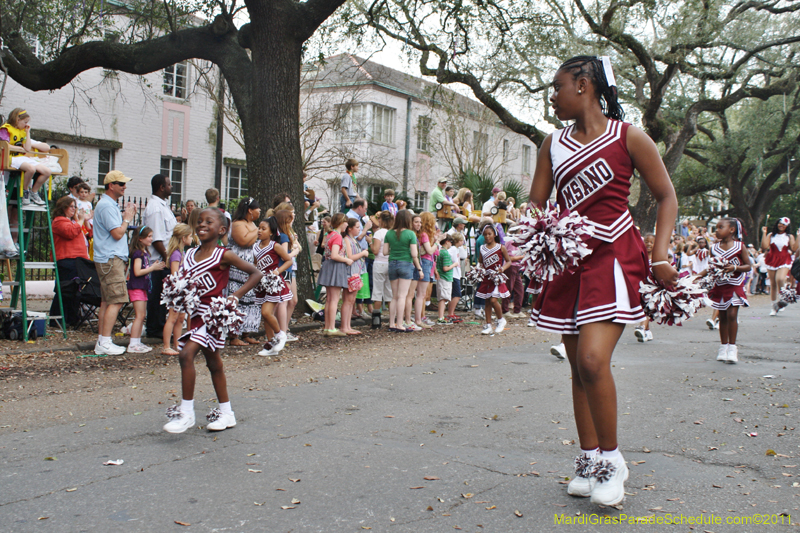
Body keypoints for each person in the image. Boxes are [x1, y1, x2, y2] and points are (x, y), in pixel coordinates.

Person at [527, 56, 679, 506]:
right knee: (577, 370)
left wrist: (662, 254)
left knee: (593, 361)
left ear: (583, 85)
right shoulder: (552, 143)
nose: (551, 97)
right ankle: (589, 459)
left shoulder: (629, 136)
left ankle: (614, 462)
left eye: (557, 87)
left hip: (613, 255)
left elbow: (666, 195)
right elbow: (537, 203)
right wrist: (533, 237)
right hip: (568, 262)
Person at [162, 208, 262, 434]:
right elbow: (183, 283)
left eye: (209, 222)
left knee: (186, 354)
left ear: (222, 229)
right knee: (214, 363)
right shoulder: (188, 255)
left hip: (214, 317)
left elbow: (256, 273)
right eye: (199, 222)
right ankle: (227, 414)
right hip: (195, 316)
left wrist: (233, 297)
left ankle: (186, 414)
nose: (202, 225)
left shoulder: (223, 255)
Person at [93, 170, 138, 355]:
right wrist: (127, 218)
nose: (124, 186)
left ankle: (102, 340)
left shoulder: (106, 204)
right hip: (111, 259)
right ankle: (104, 342)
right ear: (111, 185)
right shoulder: (106, 206)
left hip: (108, 258)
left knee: (107, 301)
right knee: (117, 300)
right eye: (121, 183)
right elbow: (117, 233)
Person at [705, 218, 751, 363]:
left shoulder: (739, 246)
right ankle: (723, 347)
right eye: (716, 227)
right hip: (720, 285)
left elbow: (748, 266)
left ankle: (732, 348)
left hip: (734, 285)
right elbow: (711, 267)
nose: (716, 230)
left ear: (731, 230)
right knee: (722, 317)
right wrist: (696, 277)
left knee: (732, 315)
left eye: (720, 227)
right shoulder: (713, 248)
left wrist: (735, 268)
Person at [143, 174, 177, 339]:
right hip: (159, 260)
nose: (172, 187)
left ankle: (160, 326)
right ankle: (155, 328)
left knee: (163, 296)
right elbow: (156, 239)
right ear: (161, 187)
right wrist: (168, 258)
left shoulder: (163, 206)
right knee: (157, 296)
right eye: (169, 184)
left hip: (165, 258)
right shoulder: (155, 208)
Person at [254, 217, 294, 357]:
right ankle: (271, 344)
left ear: (271, 232)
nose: (259, 231)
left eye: (263, 229)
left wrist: (277, 271)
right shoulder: (255, 246)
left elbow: (289, 260)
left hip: (274, 285)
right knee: (265, 316)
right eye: (259, 228)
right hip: (262, 285)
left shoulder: (274, 246)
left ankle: (280, 334)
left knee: (266, 312)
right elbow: (255, 264)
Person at [50, 196, 91, 326]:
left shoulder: (73, 221)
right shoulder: (59, 221)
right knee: (65, 289)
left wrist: (83, 220)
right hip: (66, 260)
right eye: (72, 206)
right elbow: (70, 233)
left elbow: (88, 232)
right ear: (64, 207)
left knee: (74, 291)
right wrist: (80, 220)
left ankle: (71, 318)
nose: (74, 209)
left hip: (77, 260)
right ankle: (57, 319)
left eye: (75, 206)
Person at [227, 198, 262, 345]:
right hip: (237, 267)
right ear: (250, 210)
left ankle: (246, 332)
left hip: (250, 267)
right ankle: (233, 335)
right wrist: (258, 229)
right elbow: (244, 241)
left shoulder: (252, 224)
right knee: (238, 298)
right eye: (257, 209)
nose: (260, 211)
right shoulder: (237, 224)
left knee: (250, 299)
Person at [0, 108, 51, 206]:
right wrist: (19, 149)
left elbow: (27, 148)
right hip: (11, 157)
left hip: (22, 157)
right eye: (25, 122)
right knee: (31, 169)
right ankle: (25, 191)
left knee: (47, 171)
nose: (26, 124)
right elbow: (4, 145)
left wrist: (27, 132)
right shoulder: (6, 129)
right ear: (17, 120)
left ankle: (34, 191)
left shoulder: (23, 131)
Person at [127, 226, 165, 353]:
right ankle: (133, 343)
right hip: (137, 287)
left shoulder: (144, 253)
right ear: (140, 239)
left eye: (151, 236)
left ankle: (137, 341)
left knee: (142, 315)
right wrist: (152, 268)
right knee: (139, 315)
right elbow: (137, 272)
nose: (151, 239)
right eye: (148, 236)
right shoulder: (138, 254)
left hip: (142, 287)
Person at [383, 210, 423, 332]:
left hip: (392, 264)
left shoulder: (389, 233)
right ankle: (400, 324)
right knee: (402, 296)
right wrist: (419, 269)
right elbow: (414, 254)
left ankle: (391, 323)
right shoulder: (410, 234)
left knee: (394, 296)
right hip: (406, 264)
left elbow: (385, 252)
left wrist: (395, 250)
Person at [317, 213, 352, 336]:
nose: (347, 225)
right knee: (334, 299)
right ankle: (331, 328)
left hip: (327, 266)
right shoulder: (337, 236)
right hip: (335, 267)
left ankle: (327, 327)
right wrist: (347, 260)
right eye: (346, 222)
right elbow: (335, 255)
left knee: (329, 299)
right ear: (342, 222)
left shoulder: (329, 235)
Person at [162, 224, 193, 356]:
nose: (192, 239)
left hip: (182, 288)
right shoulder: (176, 254)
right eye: (190, 236)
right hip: (177, 289)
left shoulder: (182, 252)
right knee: (172, 317)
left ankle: (177, 344)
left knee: (180, 318)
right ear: (183, 238)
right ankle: (166, 346)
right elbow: (175, 273)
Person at [476, 223, 511, 334]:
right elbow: (480, 262)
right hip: (487, 277)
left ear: (495, 235)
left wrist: (503, 268)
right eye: (485, 235)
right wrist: (478, 270)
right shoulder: (482, 248)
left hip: (496, 277)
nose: (487, 236)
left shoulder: (501, 247)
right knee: (487, 302)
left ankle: (501, 320)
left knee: (493, 300)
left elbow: (508, 261)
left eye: (489, 234)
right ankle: (488, 325)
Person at [274, 208, 301, 342]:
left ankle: (280, 331)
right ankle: (282, 332)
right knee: (283, 302)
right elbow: (285, 256)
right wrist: (294, 252)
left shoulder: (277, 234)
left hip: (282, 271)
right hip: (285, 271)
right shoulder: (284, 236)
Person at [761, 217, 798, 316]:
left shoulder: (789, 236)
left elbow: (794, 248)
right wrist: (764, 233)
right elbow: (764, 246)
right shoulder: (771, 235)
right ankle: (774, 306)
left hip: (784, 259)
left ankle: (783, 300)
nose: (781, 225)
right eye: (780, 223)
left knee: (780, 279)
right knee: (773, 284)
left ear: (787, 226)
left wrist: (798, 236)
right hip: (772, 259)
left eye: (784, 224)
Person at [346, 199, 374, 318]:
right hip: (356, 255)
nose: (366, 211)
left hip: (361, 255)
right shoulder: (351, 217)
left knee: (360, 283)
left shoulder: (357, 217)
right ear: (359, 207)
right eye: (365, 208)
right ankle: (353, 311)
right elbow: (357, 237)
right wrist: (366, 228)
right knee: (353, 286)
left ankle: (355, 311)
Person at [341, 218, 369, 335]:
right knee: (347, 300)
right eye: (357, 227)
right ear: (350, 228)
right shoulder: (347, 239)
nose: (359, 229)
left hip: (356, 272)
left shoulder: (354, 240)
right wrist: (362, 253)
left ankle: (348, 325)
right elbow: (350, 256)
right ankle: (344, 326)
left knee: (351, 300)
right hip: (350, 272)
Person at [370, 211, 394, 309]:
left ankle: (376, 318)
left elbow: (375, 250)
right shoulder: (393, 233)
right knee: (390, 292)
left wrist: (369, 242)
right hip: (390, 263)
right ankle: (392, 319)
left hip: (379, 262)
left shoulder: (378, 233)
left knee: (377, 292)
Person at [445, 233, 466, 323]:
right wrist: (452, 264)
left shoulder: (456, 249)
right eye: (461, 240)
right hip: (453, 274)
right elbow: (447, 255)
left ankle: (451, 312)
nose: (462, 242)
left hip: (456, 274)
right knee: (457, 295)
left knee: (455, 295)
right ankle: (450, 313)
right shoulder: (453, 249)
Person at [436, 235, 456, 324]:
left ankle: (441, 316)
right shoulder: (446, 253)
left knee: (442, 298)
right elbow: (445, 268)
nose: (451, 244)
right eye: (451, 242)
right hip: (445, 278)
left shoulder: (440, 252)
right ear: (447, 241)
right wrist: (454, 265)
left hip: (441, 277)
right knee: (443, 299)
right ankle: (441, 317)